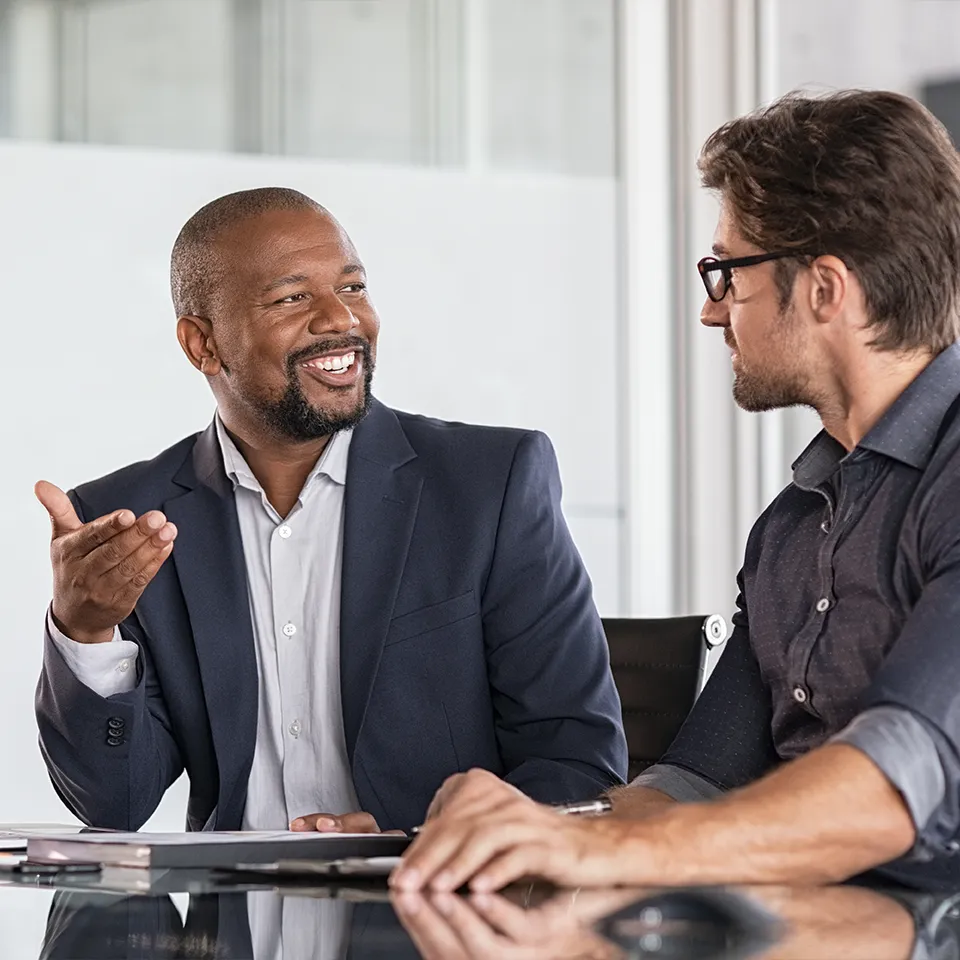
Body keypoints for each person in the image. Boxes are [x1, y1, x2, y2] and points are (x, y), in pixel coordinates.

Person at [391, 88, 960, 892]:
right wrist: (523, 830)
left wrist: (602, 854)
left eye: (728, 272)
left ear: (826, 289)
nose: (709, 309)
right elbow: (693, 784)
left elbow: (900, 779)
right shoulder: (794, 525)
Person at [34, 187, 627, 834]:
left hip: (431, 912)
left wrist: (416, 842)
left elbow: (577, 766)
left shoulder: (490, 487)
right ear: (202, 345)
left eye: (353, 287)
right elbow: (114, 805)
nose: (340, 319)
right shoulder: (130, 522)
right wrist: (84, 632)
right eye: (292, 298)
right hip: (234, 927)